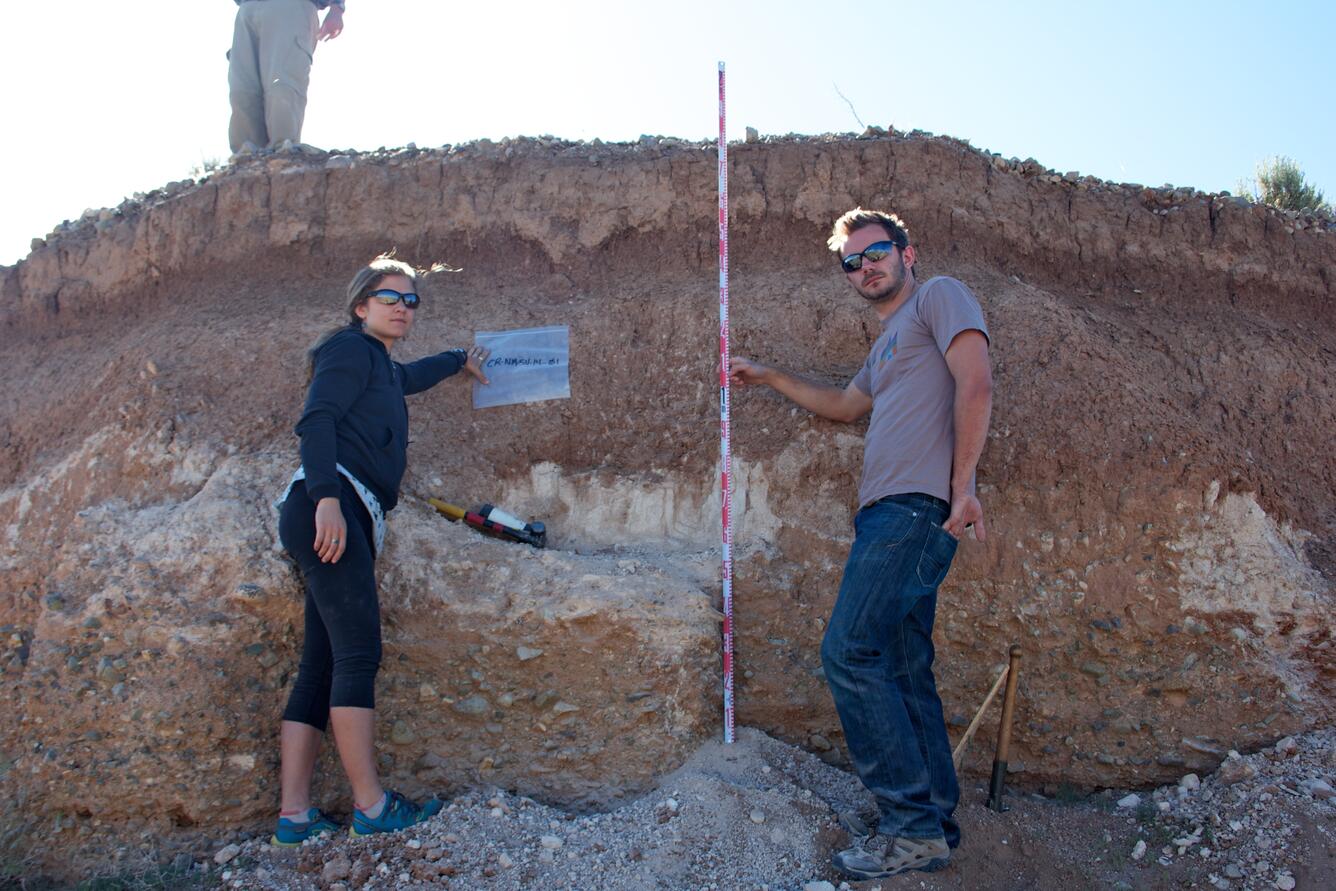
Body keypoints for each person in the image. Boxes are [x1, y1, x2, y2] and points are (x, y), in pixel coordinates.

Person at [730, 208, 992, 879]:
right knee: (903, 668)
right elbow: (846, 407)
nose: (866, 267)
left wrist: (963, 485)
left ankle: (909, 828)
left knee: (848, 651)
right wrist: (767, 376)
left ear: (907, 250)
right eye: (853, 262)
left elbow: (977, 380)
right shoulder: (885, 346)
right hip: (892, 515)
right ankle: (933, 819)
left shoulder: (939, 295)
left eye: (875, 253)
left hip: (914, 509)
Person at [271, 254, 490, 845]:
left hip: (342, 508)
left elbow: (409, 378)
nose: (402, 307)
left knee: (322, 663)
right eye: (389, 298)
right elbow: (316, 420)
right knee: (360, 652)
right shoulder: (349, 350)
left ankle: (294, 816)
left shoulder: (382, 366)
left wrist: (456, 362)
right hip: (331, 505)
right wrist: (326, 499)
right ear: (361, 306)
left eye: (411, 300)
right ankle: (371, 807)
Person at [228, 0, 346, 155]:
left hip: (291, 7)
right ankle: (247, 164)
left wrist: (337, 8)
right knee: (242, 91)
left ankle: (283, 157)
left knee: (282, 86)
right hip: (246, 10)